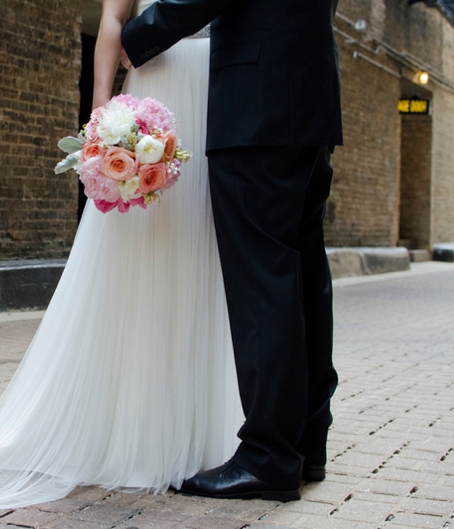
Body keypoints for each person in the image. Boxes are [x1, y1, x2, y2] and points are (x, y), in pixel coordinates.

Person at [0, 0, 242, 511]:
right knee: (139, 250)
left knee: (207, 251)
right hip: (159, 92)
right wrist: (102, 116)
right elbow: (113, 20)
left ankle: (203, 432)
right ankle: (130, 430)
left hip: (218, 91)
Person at [121, 0, 343, 502]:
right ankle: (307, 444)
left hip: (258, 102)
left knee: (263, 280)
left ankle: (269, 456)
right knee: (304, 276)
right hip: (309, 96)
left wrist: (137, 37)